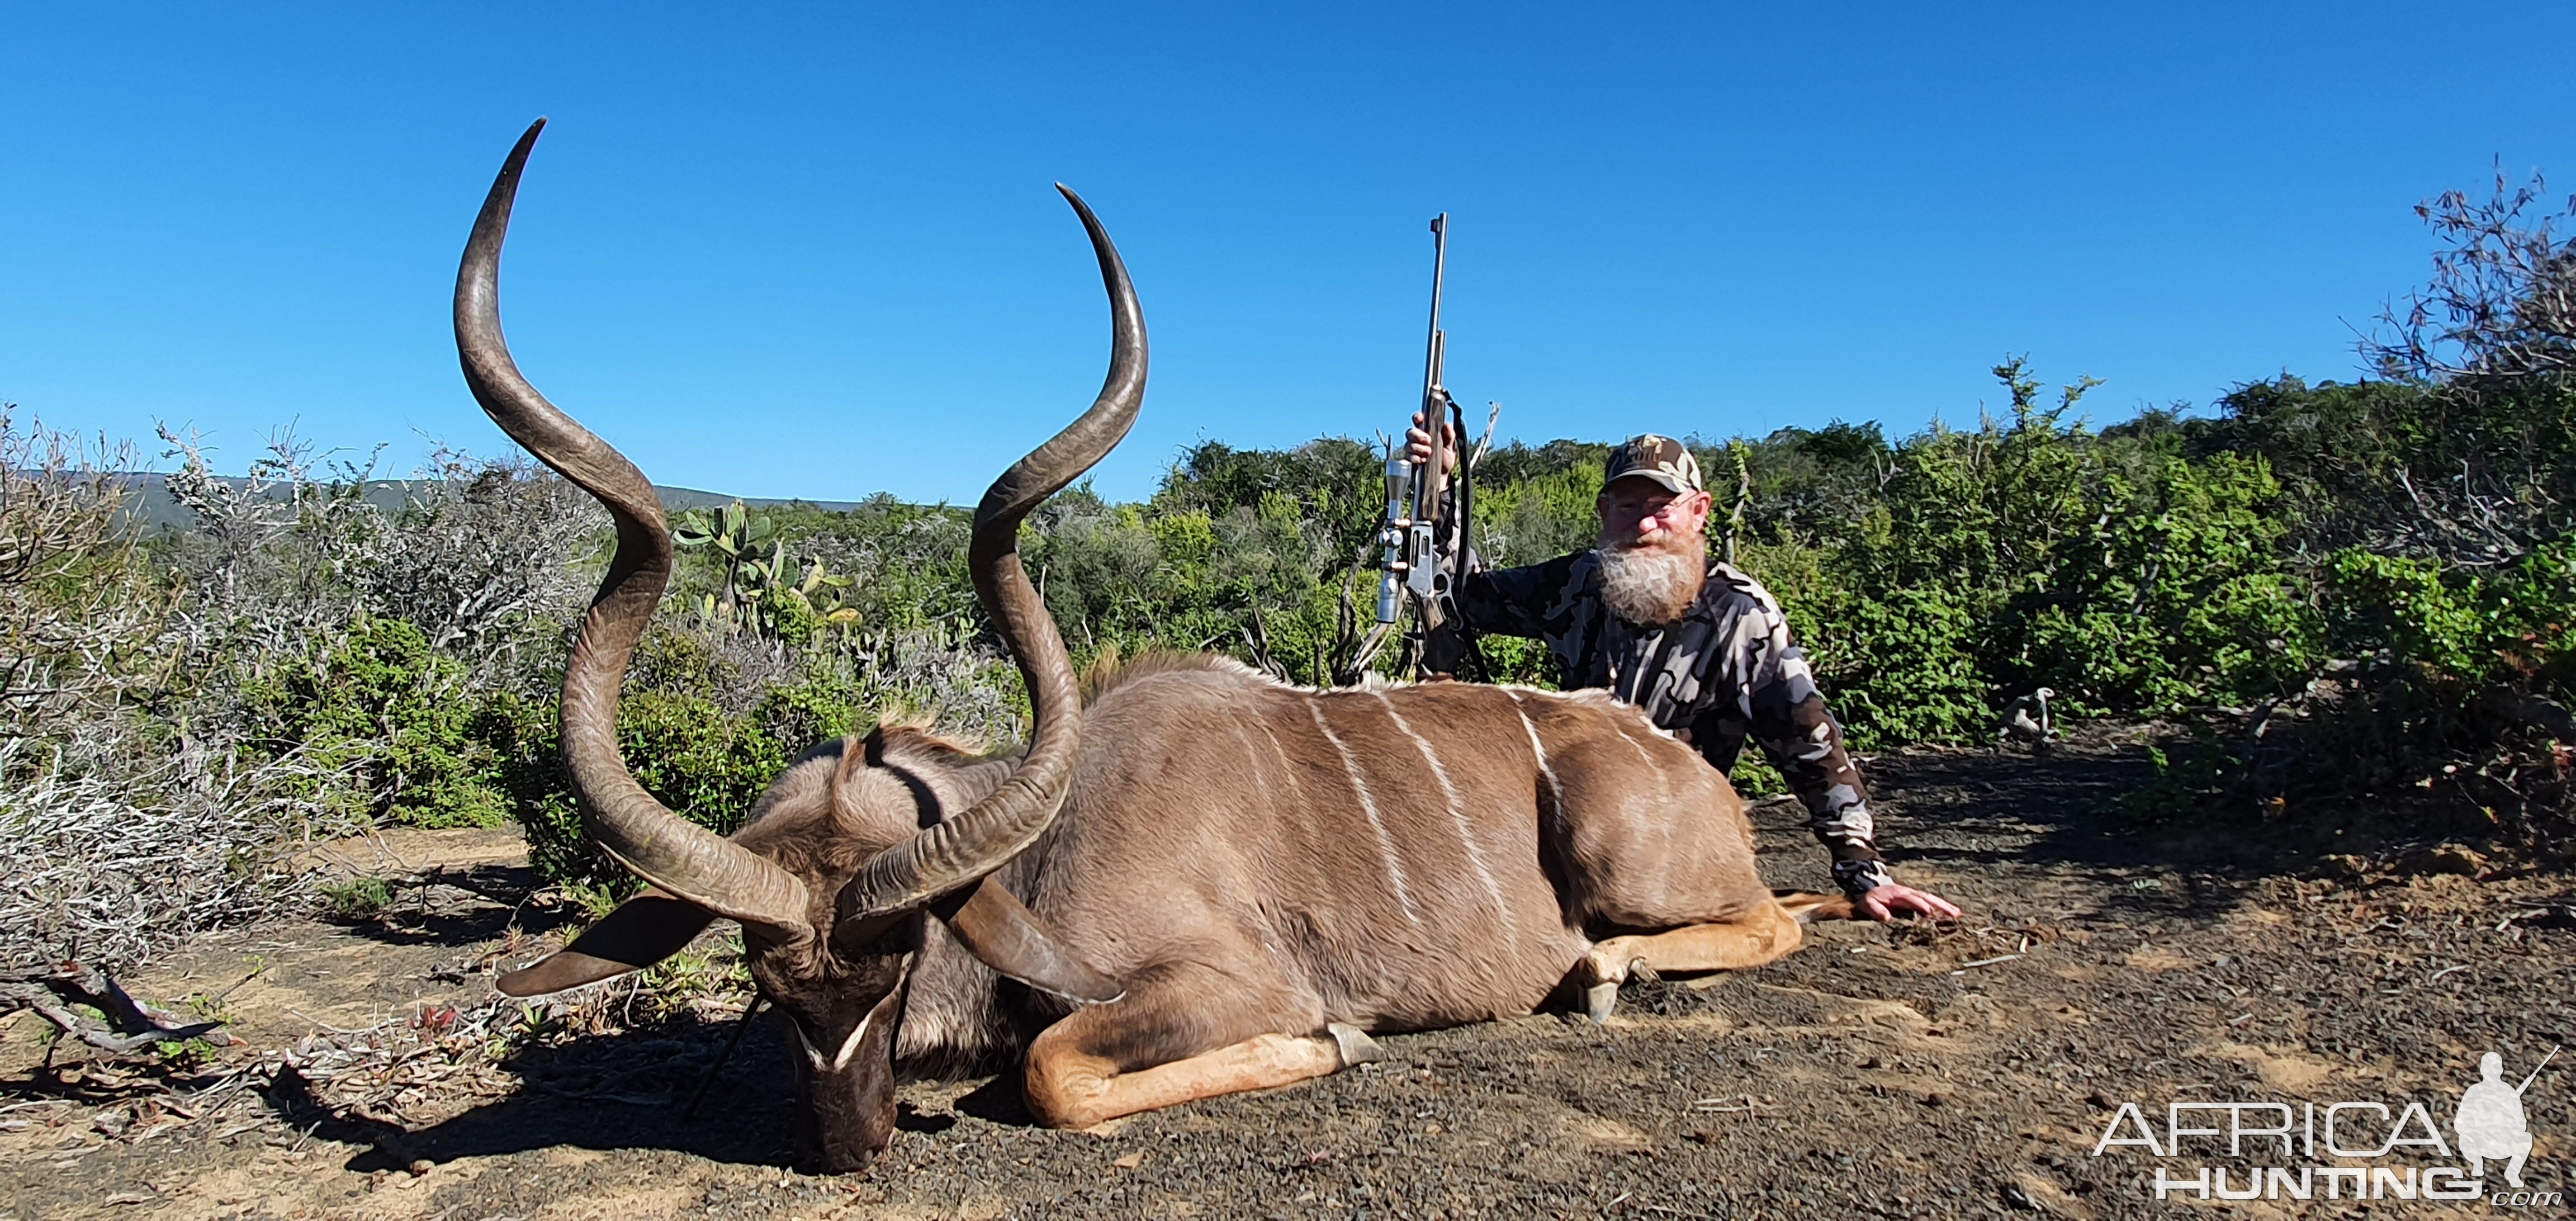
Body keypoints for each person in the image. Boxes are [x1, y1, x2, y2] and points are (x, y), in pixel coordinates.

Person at [1407, 416, 1960, 921]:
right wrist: (1444, 484)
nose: (1645, 524)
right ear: (1604, 513)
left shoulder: (1740, 613)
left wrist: (1864, 873)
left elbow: (1809, 744)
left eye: (1661, 506)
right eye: (1628, 506)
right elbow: (1466, 596)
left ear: (1699, 512)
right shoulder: (1580, 582)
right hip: (1579, 819)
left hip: (1672, 832)